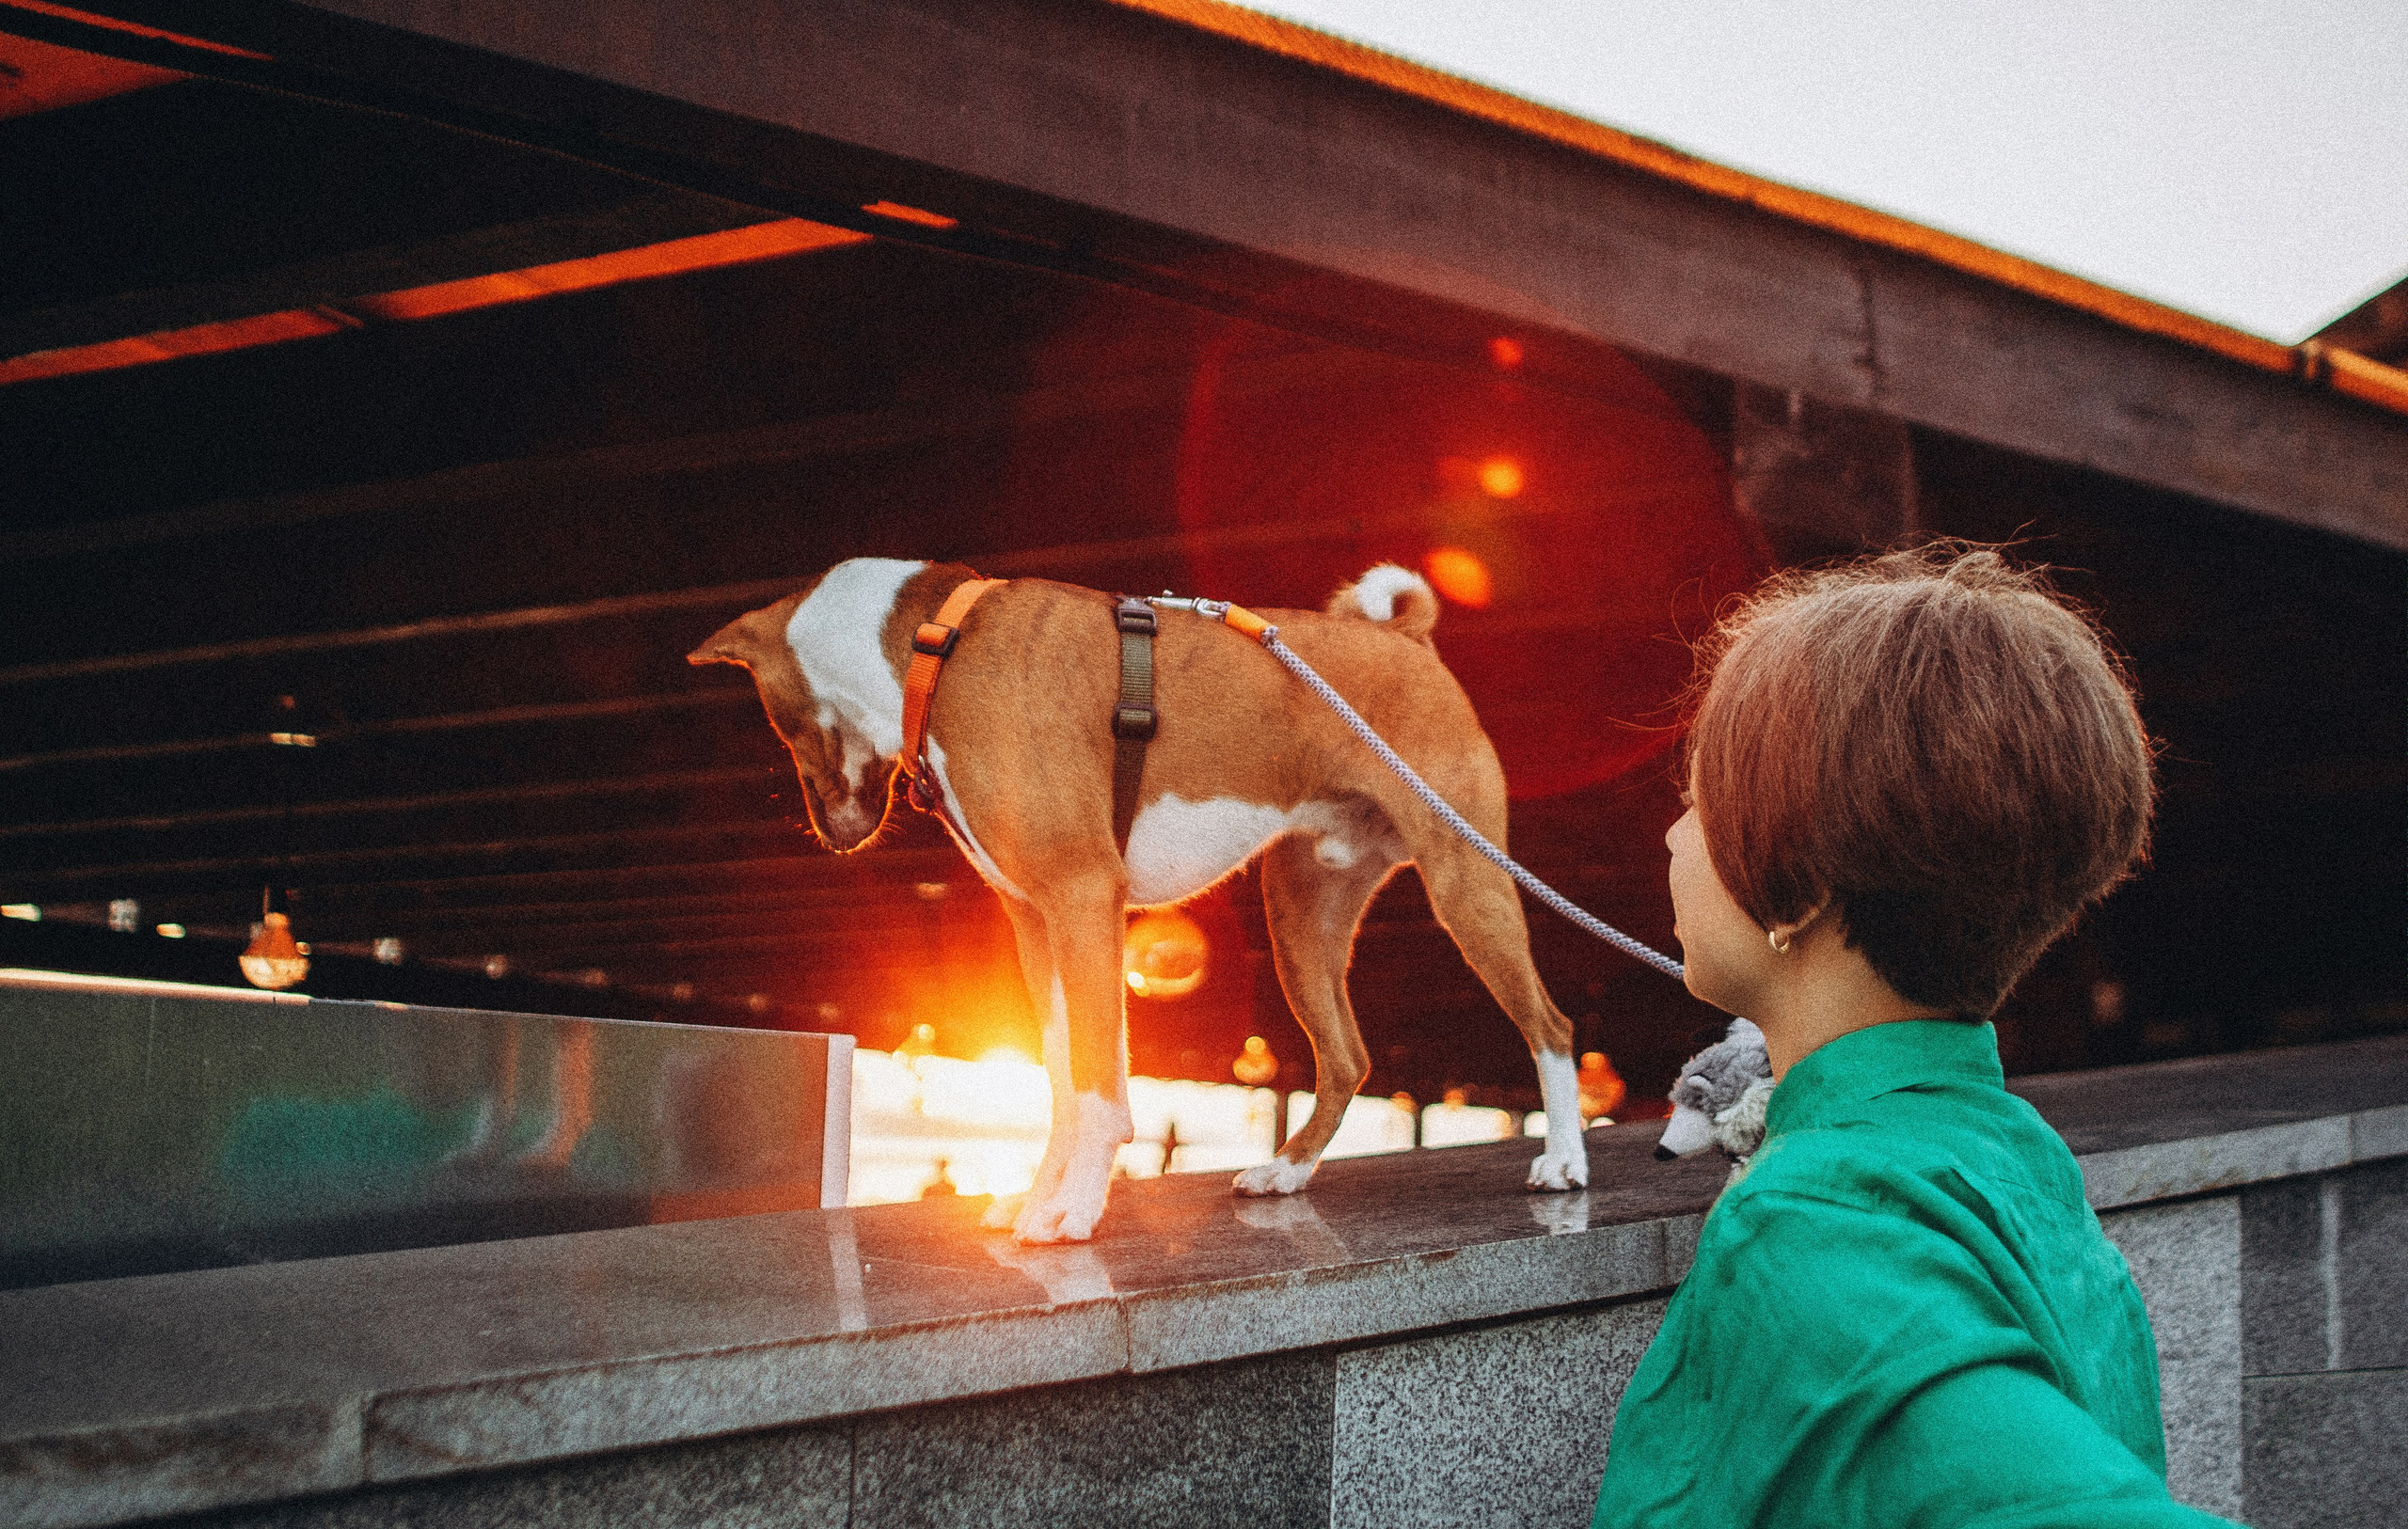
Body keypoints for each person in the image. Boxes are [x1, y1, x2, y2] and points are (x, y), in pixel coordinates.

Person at [1593, 545, 2239, 1527]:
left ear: (1800, 883)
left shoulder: (1814, 1224)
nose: (1674, 835)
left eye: (1702, 795)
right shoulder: (2017, 1158)